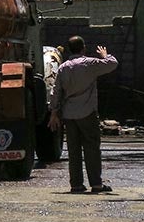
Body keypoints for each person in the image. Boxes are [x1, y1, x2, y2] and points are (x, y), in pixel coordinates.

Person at [48, 35, 118, 193]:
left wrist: (54, 113)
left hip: (69, 115)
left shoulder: (63, 68)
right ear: (83, 48)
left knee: (73, 151)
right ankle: (96, 184)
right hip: (87, 112)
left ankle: (76, 184)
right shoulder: (90, 64)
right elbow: (112, 64)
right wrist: (105, 55)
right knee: (92, 149)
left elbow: (56, 91)